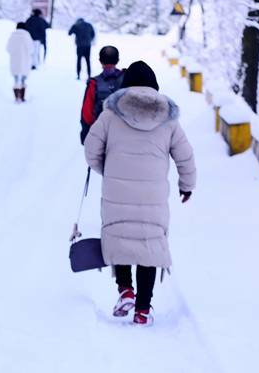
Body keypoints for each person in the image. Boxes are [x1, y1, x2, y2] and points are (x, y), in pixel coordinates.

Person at [83, 61, 196, 325]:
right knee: (149, 245)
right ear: (155, 87)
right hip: (152, 197)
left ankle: (125, 290)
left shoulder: (111, 115)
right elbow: (186, 157)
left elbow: (91, 150)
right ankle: (143, 310)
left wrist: (108, 170)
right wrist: (186, 186)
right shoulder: (169, 120)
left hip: (116, 191)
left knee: (120, 235)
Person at [79, 46, 123, 144]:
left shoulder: (93, 84)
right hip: (125, 135)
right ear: (118, 60)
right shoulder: (128, 79)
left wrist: (86, 133)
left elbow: (87, 114)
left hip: (102, 136)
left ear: (100, 61)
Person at [6, 22, 34, 102]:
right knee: (23, 80)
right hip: (25, 61)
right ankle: (22, 97)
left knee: (16, 79)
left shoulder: (12, 36)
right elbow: (31, 49)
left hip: (15, 62)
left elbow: (8, 49)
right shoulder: (27, 36)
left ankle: (16, 97)